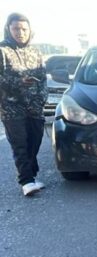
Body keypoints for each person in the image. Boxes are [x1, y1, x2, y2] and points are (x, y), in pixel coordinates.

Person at [0, 13, 47, 196]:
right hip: (11, 108)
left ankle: (32, 177)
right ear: (8, 29)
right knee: (20, 144)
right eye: (16, 29)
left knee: (34, 142)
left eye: (24, 29)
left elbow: (43, 78)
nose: (20, 33)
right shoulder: (3, 51)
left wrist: (41, 99)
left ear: (30, 30)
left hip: (34, 107)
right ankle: (26, 181)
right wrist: (19, 82)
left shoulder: (35, 51)